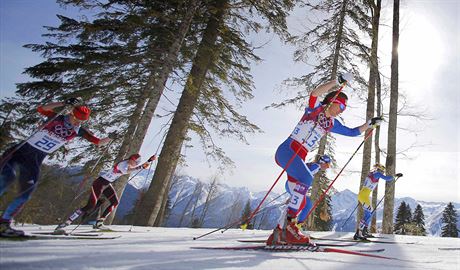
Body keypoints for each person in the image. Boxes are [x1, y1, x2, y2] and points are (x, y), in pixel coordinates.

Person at [266, 73, 383, 246]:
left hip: (298, 156)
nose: (341, 110)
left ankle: (278, 233)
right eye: (341, 105)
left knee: (304, 203)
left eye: (344, 109)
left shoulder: (331, 124)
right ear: (332, 100)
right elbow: (314, 93)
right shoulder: (315, 110)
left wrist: (369, 123)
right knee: (307, 178)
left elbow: (352, 132)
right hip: (287, 150)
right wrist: (337, 82)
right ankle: (289, 227)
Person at [0, 99, 111, 237]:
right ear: (71, 113)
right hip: (20, 151)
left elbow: (98, 142)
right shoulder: (56, 118)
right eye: (76, 118)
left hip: (35, 160)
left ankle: (3, 224)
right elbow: (42, 108)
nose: (78, 122)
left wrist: (110, 138)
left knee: (26, 192)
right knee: (6, 179)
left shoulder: (78, 130)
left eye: (82, 121)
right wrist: (63, 103)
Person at [55, 153, 156, 231]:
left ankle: (100, 222)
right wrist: (142, 167)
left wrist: (149, 160)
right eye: (133, 161)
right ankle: (68, 221)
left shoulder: (129, 165)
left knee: (115, 202)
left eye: (134, 163)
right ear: (130, 159)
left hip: (107, 184)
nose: (132, 163)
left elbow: (133, 168)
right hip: (99, 183)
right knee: (90, 205)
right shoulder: (122, 164)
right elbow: (127, 172)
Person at [267, 154, 332, 245]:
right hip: (295, 183)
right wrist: (297, 190)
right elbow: (304, 176)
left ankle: (282, 231)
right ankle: (291, 228)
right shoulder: (316, 166)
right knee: (303, 204)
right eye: (327, 165)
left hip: (292, 183)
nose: (327, 168)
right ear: (323, 162)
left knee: (304, 203)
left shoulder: (313, 165)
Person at [354, 164, 403, 240]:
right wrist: (395, 176)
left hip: (364, 195)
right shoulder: (377, 174)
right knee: (368, 213)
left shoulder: (373, 174)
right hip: (363, 195)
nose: (382, 173)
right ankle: (358, 233)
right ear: (379, 169)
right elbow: (387, 178)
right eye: (382, 171)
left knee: (370, 212)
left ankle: (364, 231)